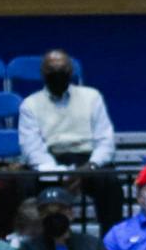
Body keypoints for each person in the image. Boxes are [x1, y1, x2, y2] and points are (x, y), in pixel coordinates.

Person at [17, 49, 123, 234]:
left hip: (87, 161)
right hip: (50, 162)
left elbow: (105, 140)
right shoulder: (30, 104)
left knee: (110, 183)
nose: (57, 73)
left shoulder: (92, 96)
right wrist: (61, 174)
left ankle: (111, 245)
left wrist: (89, 167)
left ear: (71, 71)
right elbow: (31, 148)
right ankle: (33, 243)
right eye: (52, 69)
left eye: (62, 68)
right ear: (42, 73)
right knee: (24, 184)